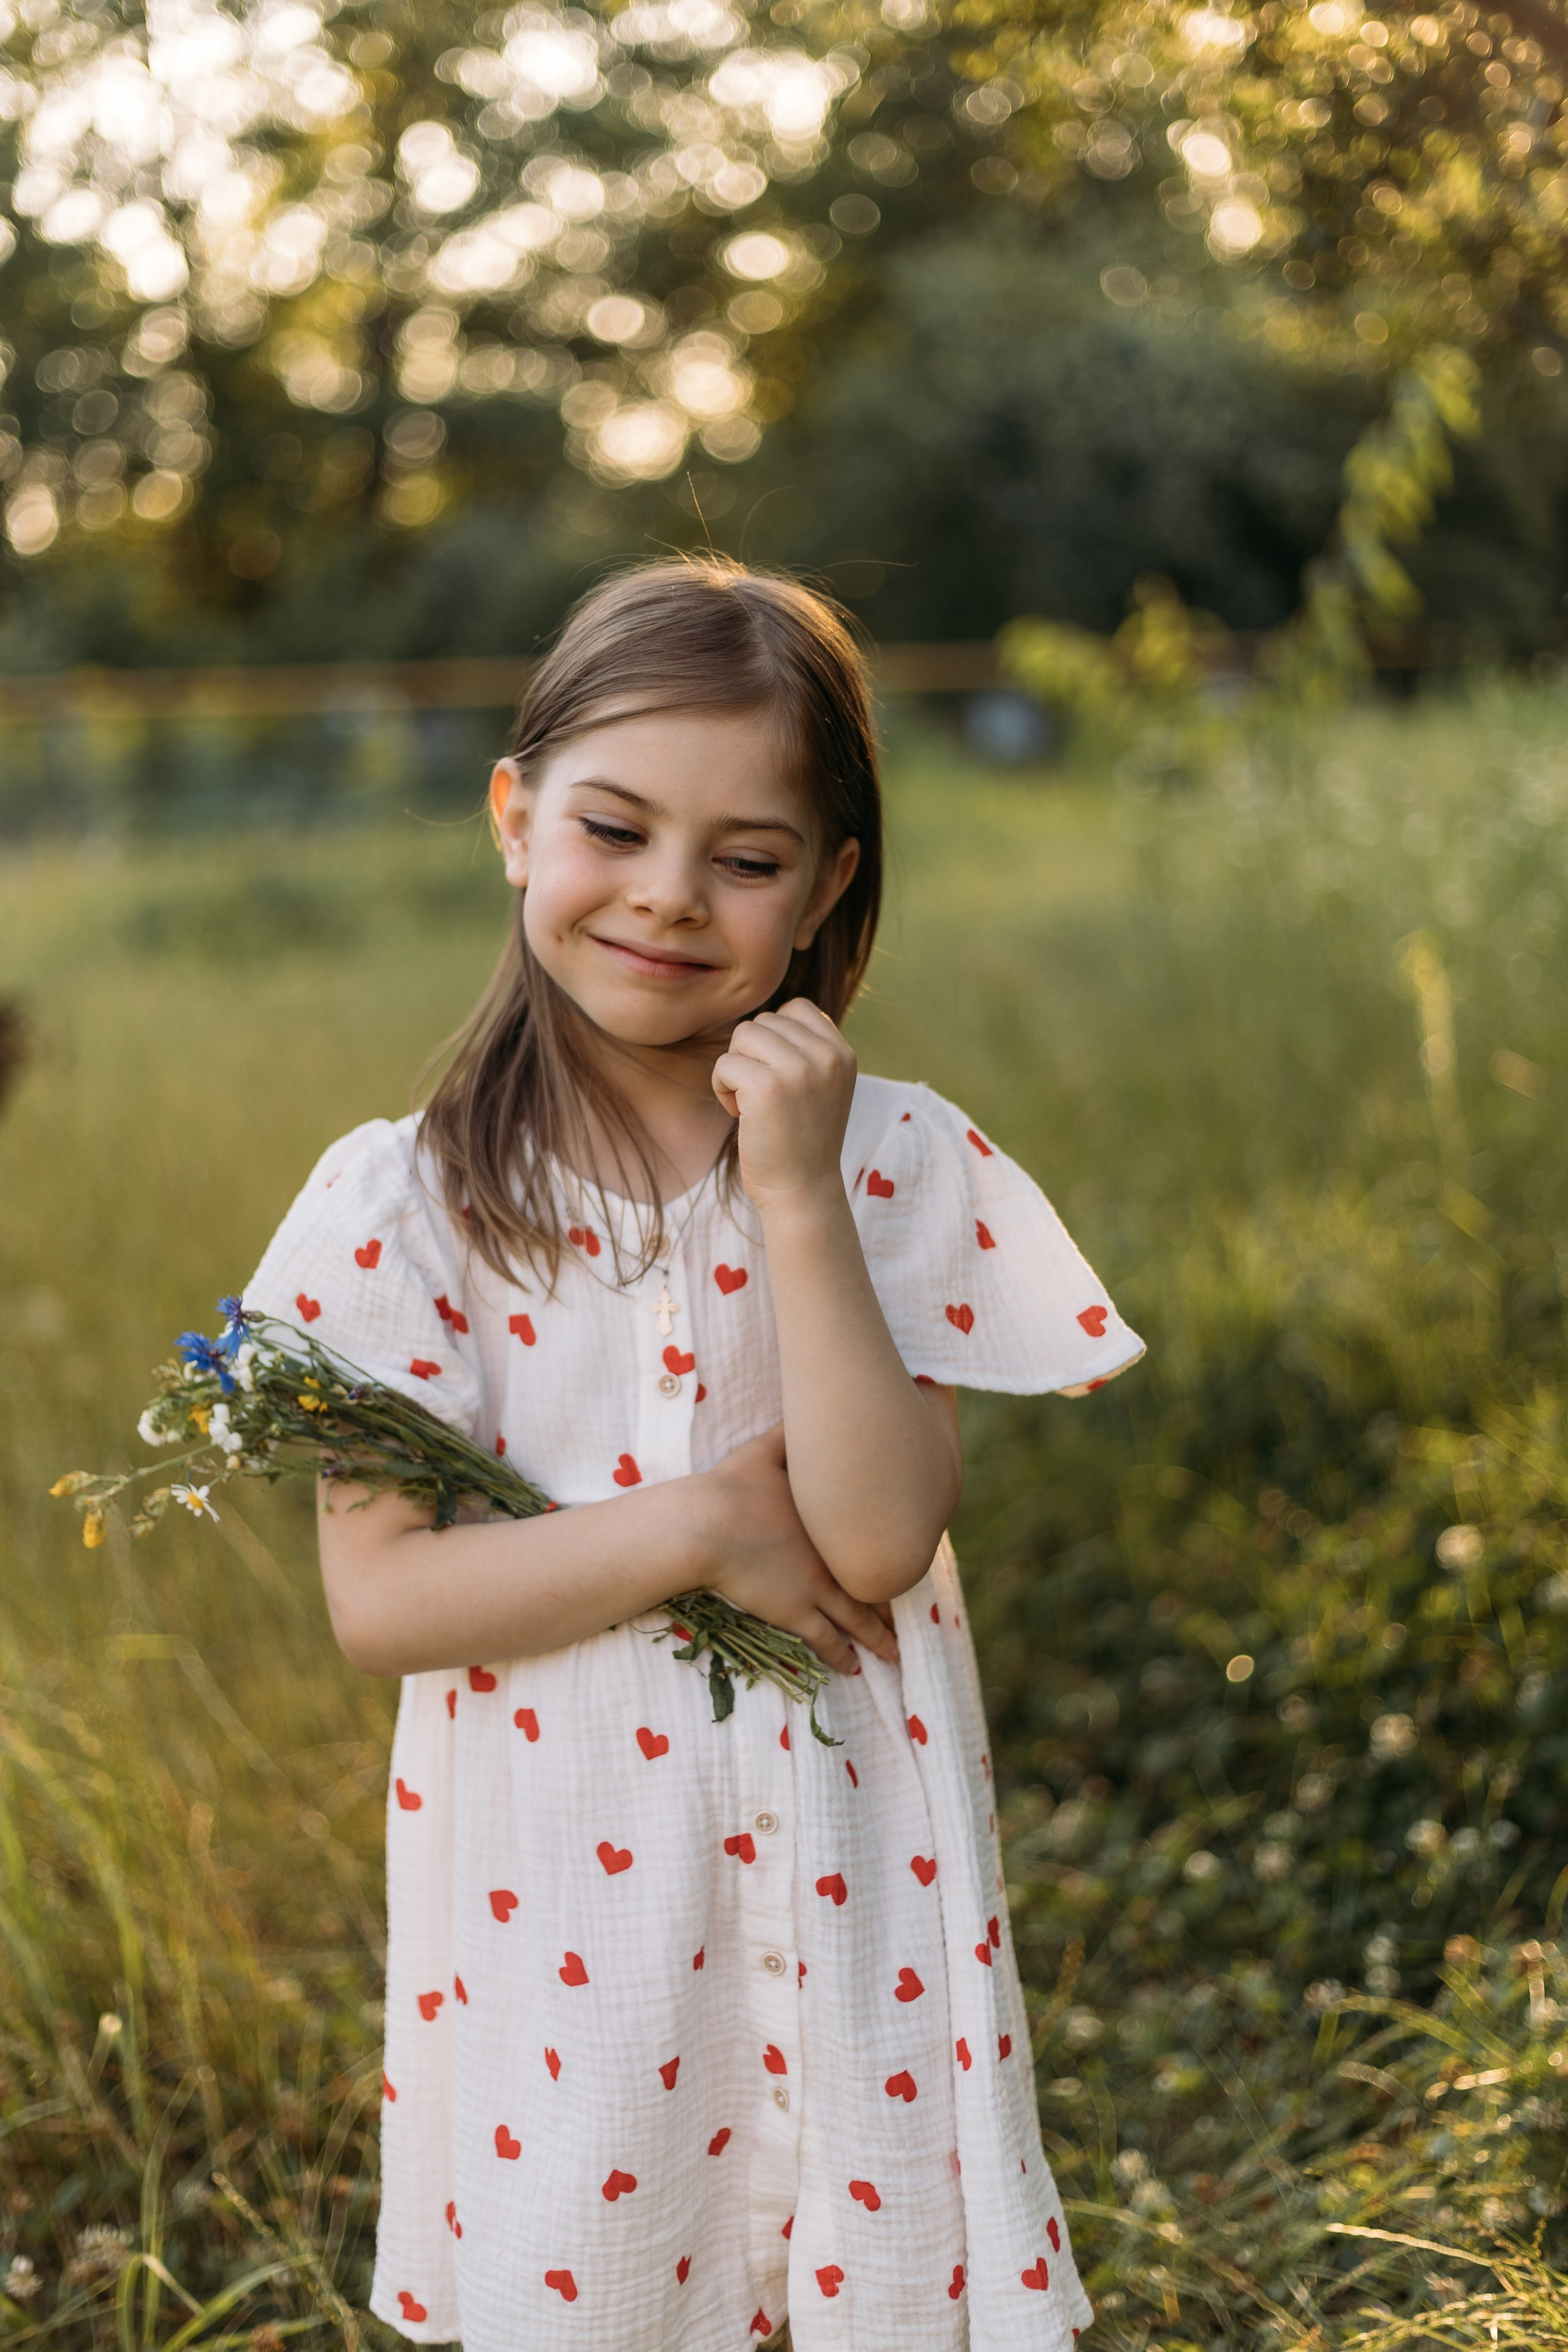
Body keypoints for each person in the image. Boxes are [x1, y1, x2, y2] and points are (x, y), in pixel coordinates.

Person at [244, 559, 1142, 2352]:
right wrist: (707, 1524)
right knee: (605, 2262)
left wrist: (794, 1192)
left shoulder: (890, 1159)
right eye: (615, 827)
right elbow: (386, 1600)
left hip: (849, 1855)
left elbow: (880, 1541)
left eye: (746, 858)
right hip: (578, 1904)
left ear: (828, 888)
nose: (669, 896)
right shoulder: (402, 1205)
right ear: (514, 821)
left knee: (866, 2276)